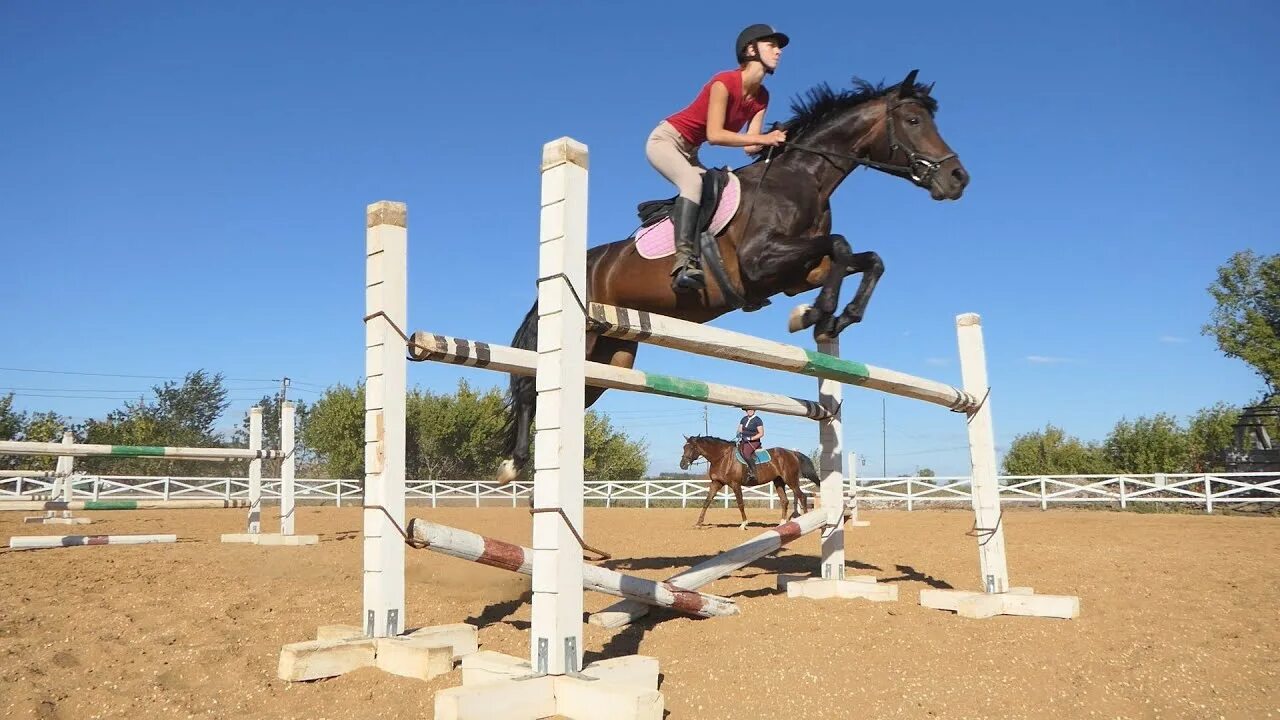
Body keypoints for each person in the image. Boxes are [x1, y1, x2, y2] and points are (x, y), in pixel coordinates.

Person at [645, 24, 790, 293]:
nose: (778, 51)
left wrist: (779, 137)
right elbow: (715, 135)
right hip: (665, 140)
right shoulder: (724, 82)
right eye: (771, 45)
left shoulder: (762, 96)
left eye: (778, 46)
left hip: (690, 151)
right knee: (692, 184)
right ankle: (684, 261)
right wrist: (763, 140)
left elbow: (750, 145)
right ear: (750, 49)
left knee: (723, 192)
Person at [736, 407, 765, 483]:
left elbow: (761, 433)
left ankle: (753, 472)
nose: (750, 411)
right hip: (743, 440)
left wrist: (750, 438)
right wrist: (738, 434)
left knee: (746, 453)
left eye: (751, 410)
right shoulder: (744, 419)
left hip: (753, 441)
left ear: (754, 410)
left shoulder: (757, 420)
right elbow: (740, 429)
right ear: (746, 411)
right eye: (748, 410)